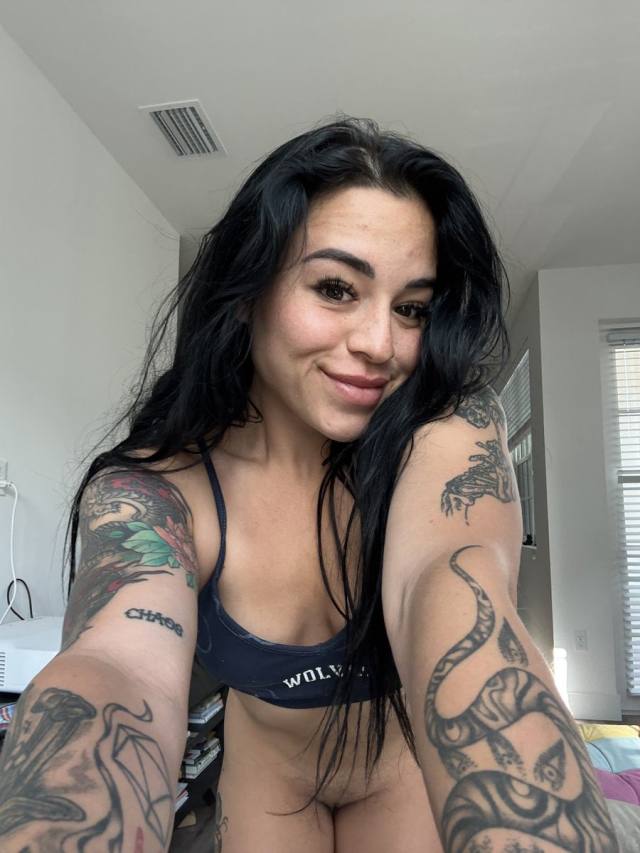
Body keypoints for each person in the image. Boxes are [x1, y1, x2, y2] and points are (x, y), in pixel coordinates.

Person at [0, 116, 618, 853]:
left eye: (411, 308)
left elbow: (459, 596)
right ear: (247, 291)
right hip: (269, 773)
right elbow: (117, 662)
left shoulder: (447, 435)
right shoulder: (160, 489)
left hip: (400, 763)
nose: (381, 344)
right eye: (335, 288)